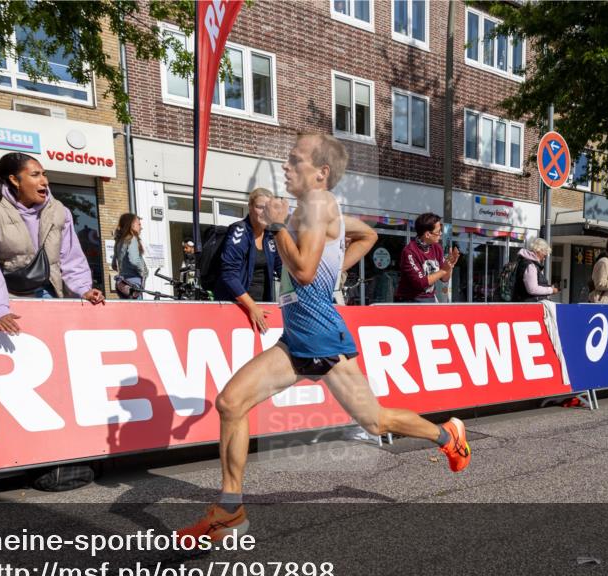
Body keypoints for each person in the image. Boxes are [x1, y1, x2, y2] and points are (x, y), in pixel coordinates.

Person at [177, 132, 471, 543]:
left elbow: (304, 272)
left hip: (320, 336)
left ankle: (448, 435)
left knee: (375, 419)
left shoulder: (318, 203)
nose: (286, 166)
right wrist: (336, 266)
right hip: (297, 335)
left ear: (321, 172)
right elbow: (366, 235)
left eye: (295, 160)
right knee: (230, 403)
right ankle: (229, 510)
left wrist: (279, 228)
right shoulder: (311, 209)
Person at [0, 152, 104, 335]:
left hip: (52, 294)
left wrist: (84, 289)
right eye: (35, 175)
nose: (44, 181)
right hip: (10, 300)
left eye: (44, 174)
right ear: (15, 180)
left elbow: (71, 257)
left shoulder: (59, 211)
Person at [214, 187, 283, 333]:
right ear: (250, 207)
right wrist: (252, 307)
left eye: (268, 208)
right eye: (260, 207)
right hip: (239, 306)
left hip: (263, 306)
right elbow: (229, 275)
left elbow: (282, 269)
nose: (264, 212)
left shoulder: (270, 235)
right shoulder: (239, 231)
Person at [394, 212, 460, 303]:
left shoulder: (437, 248)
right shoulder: (410, 251)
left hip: (429, 298)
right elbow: (420, 283)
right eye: (438, 232)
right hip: (409, 300)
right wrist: (443, 270)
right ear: (428, 234)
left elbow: (444, 279)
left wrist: (449, 266)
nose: (440, 234)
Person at [113, 213, 148, 299]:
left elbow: (114, 265)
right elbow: (134, 260)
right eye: (139, 224)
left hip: (123, 284)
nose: (141, 227)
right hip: (133, 284)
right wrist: (143, 271)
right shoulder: (132, 239)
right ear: (131, 225)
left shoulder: (119, 241)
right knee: (137, 311)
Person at [511, 237, 558, 302]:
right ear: (539, 251)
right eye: (544, 255)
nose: (544, 259)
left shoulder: (524, 262)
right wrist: (551, 290)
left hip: (524, 303)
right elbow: (532, 289)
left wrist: (548, 287)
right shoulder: (530, 265)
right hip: (529, 306)